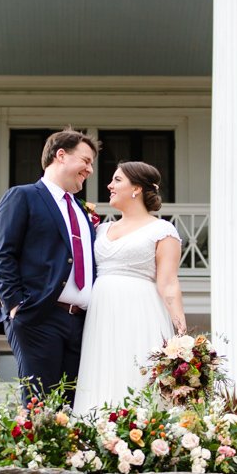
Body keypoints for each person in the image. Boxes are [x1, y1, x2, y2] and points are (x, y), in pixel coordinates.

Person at [0, 128, 100, 406]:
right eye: (85, 161)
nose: (89, 170)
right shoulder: (23, 196)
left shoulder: (80, 210)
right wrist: (15, 305)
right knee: (40, 405)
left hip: (79, 323)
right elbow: (3, 254)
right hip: (39, 316)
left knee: (73, 406)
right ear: (60, 155)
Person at [73, 161, 187, 413]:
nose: (109, 185)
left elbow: (168, 284)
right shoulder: (100, 229)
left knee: (135, 371)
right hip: (101, 316)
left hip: (140, 311)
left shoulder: (162, 230)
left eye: (117, 180)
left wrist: (181, 335)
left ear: (136, 188)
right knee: (100, 371)